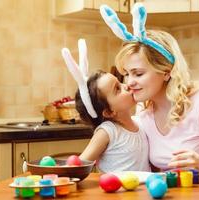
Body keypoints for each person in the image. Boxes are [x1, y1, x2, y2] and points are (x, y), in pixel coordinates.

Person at [100, 3, 199, 171]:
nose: (129, 82)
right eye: (127, 73)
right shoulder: (144, 115)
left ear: (166, 72)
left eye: (138, 74)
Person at [61, 39, 150, 173]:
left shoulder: (141, 123)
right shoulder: (107, 131)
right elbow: (79, 166)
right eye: (117, 89)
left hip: (143, 193)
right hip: (116, 194)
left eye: (120, 83)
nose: (126, 85)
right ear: (109, 112)